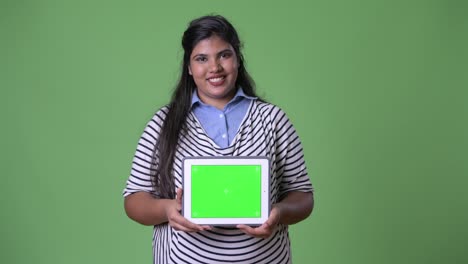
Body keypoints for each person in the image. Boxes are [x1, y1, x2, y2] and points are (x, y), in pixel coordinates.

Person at [123, 15, 314, 264]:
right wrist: (168, 209)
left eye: (224, 55)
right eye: (201, 58)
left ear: (237, 59)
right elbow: (134, 200)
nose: (215, 67)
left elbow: (303, 196)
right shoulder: (163, 123)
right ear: (189, 68)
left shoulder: (272, 119)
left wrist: (278, 213)